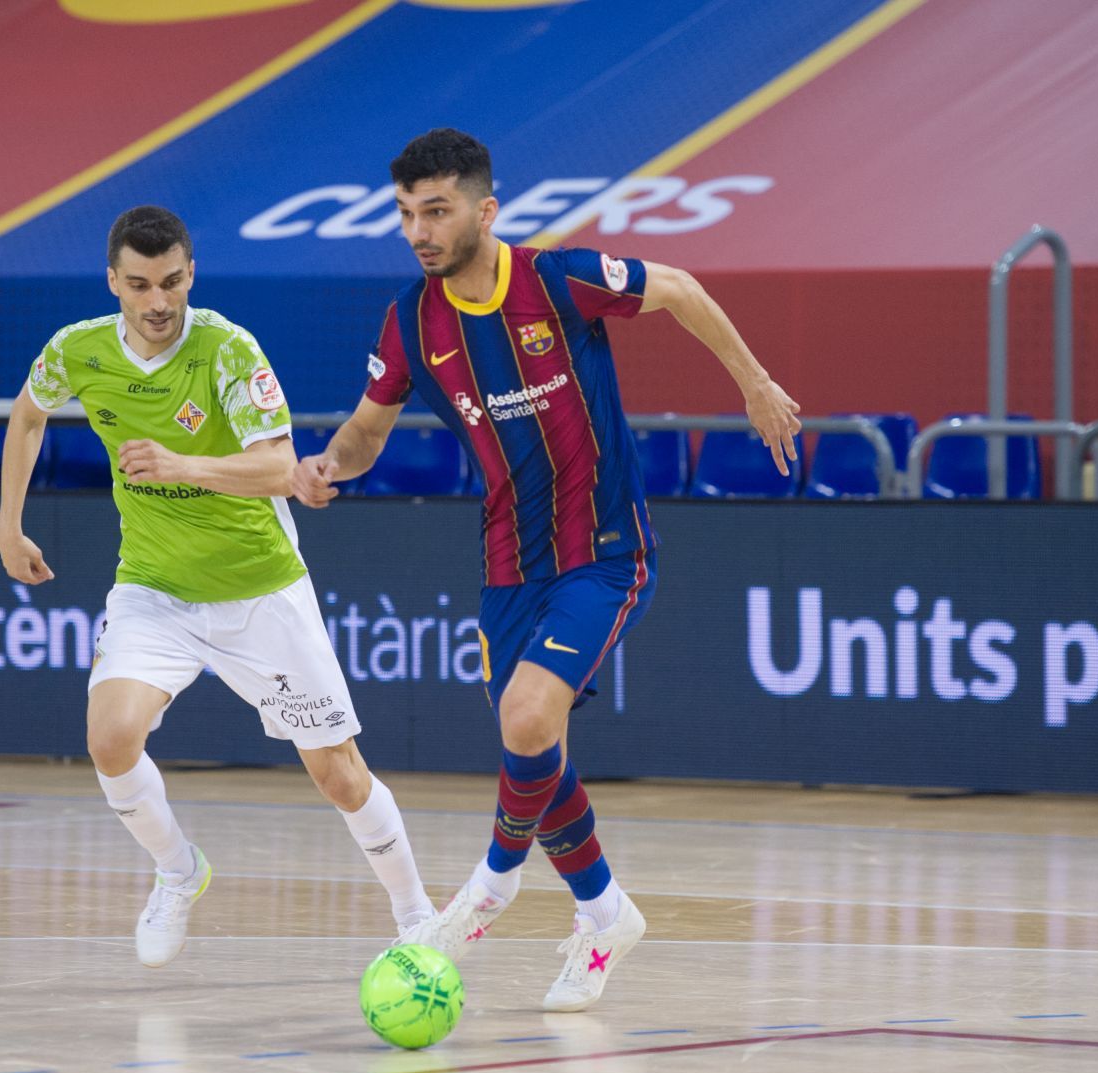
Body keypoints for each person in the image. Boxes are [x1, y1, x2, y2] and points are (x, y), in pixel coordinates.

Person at [292, 129, 801, 1012]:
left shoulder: (555, 281)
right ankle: (606, 914)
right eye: (407, 214)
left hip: (605, 552)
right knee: (536, 747)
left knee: (528, 717)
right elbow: (368, 430)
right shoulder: (411, 321)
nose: (419, 230)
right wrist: (325, 466)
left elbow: (678, 288)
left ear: (485, 212)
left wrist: (753, 382)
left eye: (437, 211)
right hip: (505, 565)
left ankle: (492, 882)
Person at [0, 205, 433, 966]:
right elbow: (28, 415)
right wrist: (9, 522)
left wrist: (182, 463)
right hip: (154, 589)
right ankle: (178, 870)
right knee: (109, 736)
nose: (158, 301)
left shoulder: (227, 350)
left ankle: (415, 912)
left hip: (259, 588)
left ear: (191, 273)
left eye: (171, 282)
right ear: (114, 283)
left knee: (338, 773)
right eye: (139, 285)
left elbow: (280, 467)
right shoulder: (78, 350)